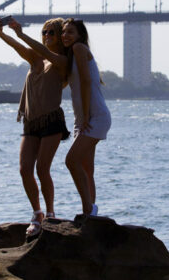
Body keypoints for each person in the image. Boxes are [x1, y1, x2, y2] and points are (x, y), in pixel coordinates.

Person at [12, 17, 110, 217]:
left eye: (70, 32)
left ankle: (88, 210)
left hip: (94, 116)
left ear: (80, 35)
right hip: (83, 117)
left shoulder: (79, 49)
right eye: (63, 32)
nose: (65, 35)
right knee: (86, 168)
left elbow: (85, 82)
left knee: (71, 161)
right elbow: (47, 55)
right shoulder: (72, 55)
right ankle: (92, 213)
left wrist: (84, 116)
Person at [0, 16, 70, 236]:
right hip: (31, 121)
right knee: (24, 169)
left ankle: (51, 213)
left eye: (51, 33)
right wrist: (2, 34)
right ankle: (37, 212)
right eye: (44, 32)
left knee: (42, 168)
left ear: (60, 36)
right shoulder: (35, 58)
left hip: (51, 121)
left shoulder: (61, 61)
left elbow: (42, 51)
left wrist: (20, 32)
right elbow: (20, 47)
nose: (46, 36)